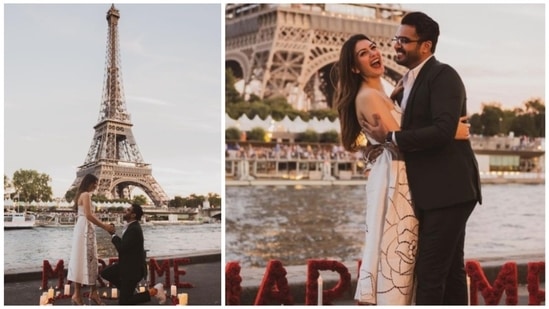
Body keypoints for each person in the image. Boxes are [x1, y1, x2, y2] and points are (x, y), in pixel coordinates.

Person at [361, 12, 482, 305]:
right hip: (436, 192)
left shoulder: (443, 76)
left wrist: (392, 137)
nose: (396, 46)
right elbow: (439, 128)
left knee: (429, 273)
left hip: (449, 191)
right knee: (451, 270)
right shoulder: (408, 83)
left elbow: (441, 131)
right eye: (396, 39)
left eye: (404, 40)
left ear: (426, 46)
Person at [100, 204, 166, 305]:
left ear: (133, 215)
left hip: (132, 270)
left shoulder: (134, 229)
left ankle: (155, 291)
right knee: (105, 273)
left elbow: (122, 248)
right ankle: (126, 290)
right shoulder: (131, 227)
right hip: (126, 265)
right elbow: (126, 246)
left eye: (128, 210)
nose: (125, 210)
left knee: (124, 303)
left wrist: (113, 234)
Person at [67, 173, 115, 305]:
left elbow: (86, 214)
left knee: (79, 259)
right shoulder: (86, 195)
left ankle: (77, 294)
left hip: (81, 229)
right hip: (86, 230)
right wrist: (105, 226)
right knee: (91, 259)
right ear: (89, 182)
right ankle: (93, 293)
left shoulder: (80, 195)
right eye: (95, 183)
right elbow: (89, 215)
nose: (96, 186)